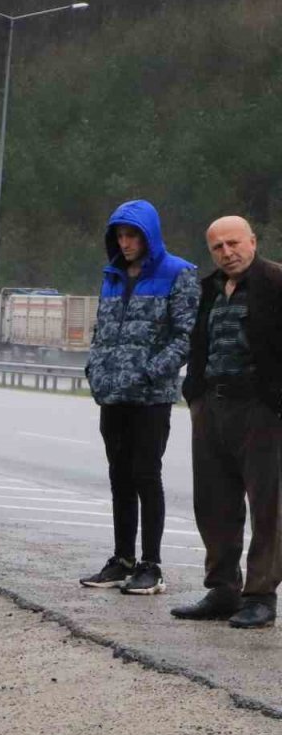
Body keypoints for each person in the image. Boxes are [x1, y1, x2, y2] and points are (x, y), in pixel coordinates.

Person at [80, 200, 198, 595]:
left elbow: (186, 336)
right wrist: (95, 370)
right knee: (119, 476)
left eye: (132, 235)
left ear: (149, 236)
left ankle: (151, 565)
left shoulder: (178, 273)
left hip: (150, 398)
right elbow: (102, 332)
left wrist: (150, 371)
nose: (125, 243)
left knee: (147, 475)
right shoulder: (112, 276)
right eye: (120, 236)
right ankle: (123, 559)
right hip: (113, 395)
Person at [172, 216, 282, 629]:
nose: (227, 252)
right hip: (212, 406)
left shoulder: (275, 282)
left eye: (234, 243)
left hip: (261, 408)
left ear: (252, 241)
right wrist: (195, 394)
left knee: (268, 507)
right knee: (213, 503)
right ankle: (222, 589)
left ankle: (260, 596)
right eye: (217, 247)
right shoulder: (208, 289)